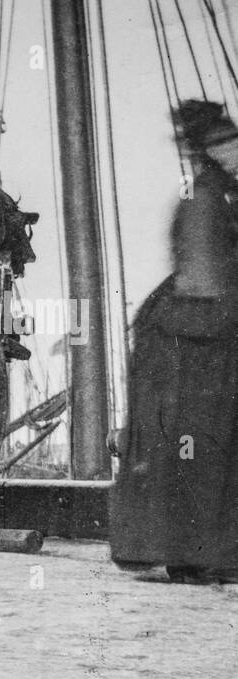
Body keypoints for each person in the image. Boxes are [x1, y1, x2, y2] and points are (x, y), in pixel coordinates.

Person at [111, 100, 238, 582]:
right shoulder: (205, 198)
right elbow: (206, 280)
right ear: (206, 151)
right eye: (223, 145)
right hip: (196, 335)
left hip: (205, 325)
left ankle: (209, 552)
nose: (233, 152)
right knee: (200, 440)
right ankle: (193, 554)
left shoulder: (224, 193)